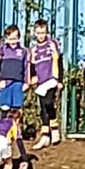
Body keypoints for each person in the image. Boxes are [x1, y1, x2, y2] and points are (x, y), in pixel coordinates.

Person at [30, 19, 63, 149]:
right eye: (38, 33)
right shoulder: (33, 49)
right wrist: (32, 77)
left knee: (49, 102)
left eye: (43, 32)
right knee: (43, 106)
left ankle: (54, 129)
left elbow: (58, 61)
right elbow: (32, 65)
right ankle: (45, 135)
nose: (41, 36)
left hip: (52, 78)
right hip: (40, 81)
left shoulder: (52, 44)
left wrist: (60, 80)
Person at [0, 25, 29, 114]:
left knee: (17, 108)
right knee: (4, 106)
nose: (13, 41)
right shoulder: (2, 50)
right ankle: (3, 126)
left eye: (15, 38)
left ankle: (16, 126)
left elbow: (26, 67)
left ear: (19, 38)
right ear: (6, 38)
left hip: (18, 82)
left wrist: (26, 82)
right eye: (10, 39)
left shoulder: (23, 51)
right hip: (5, 82)